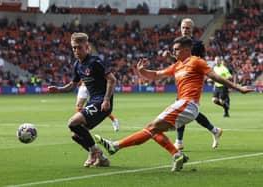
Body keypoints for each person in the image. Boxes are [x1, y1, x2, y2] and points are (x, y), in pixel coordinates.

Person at [95, 36, 253, 172]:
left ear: (186, 49)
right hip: (183, 104)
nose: (174, 52)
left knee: (151, 127)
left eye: (177, 49)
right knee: (154, 130)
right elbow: (156, 75)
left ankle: (115, 146)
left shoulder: (196, 62)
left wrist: (238, 87)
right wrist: (142, 71)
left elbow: (216, 77)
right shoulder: (177, 65)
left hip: (188, 104)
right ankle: (176, 155)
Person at [48, 32, 116, 167]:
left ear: (87, 47)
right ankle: (101, 158)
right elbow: (73, 85)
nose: (76, 51)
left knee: (72, 122)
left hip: (101, 102)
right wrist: (59, 90)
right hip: (93, 102)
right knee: (76, 135)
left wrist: (106, 99)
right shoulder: (77, 65)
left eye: (79, 47)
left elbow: (112, 79)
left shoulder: (95, 62)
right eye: (74, 48)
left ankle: (93, 152)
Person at [163, 18, 222, 150]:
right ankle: (214, 130)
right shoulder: (177, 43)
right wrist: (170, 58)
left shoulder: (198, 44)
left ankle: (179, 141)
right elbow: (179, 63)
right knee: (190, 111)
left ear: (192, 29)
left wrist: (206, 76)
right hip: (182, 80)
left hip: (193, 81)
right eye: (183, 27)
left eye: (188, 28)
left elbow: (201, 63)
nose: (185, 30)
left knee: (181, 108)